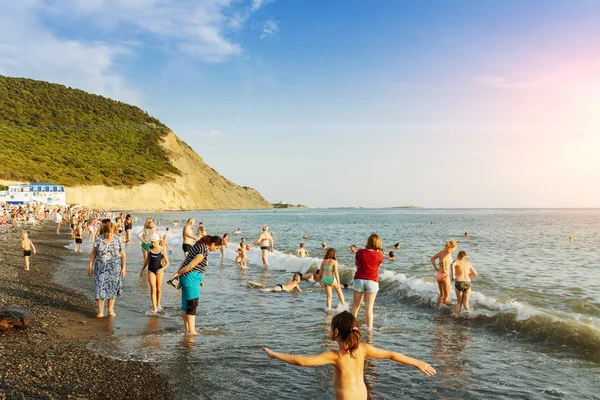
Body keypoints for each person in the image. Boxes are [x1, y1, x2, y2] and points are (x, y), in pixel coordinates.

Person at [262, 311, 436, 400]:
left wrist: (275, 354)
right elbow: (391, 354)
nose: (329, 330)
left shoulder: (336, 355)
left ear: (336, 331)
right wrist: (417, 362)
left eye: (331, 327)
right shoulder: (363, 348)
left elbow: (302, 361)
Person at [170, 235, 222, 335]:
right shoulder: (203, 250)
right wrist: (178, 273)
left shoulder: (198, 245)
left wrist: (178, 272)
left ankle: (187, 330)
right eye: (217, 248)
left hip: (186, 277)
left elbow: (186, 260)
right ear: (213, 244)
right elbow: (190, 266)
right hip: (192, 278)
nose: (216, 250)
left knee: (186, 304)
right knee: (192, 304)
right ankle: (192, 331)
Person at [88, 223, 126, 318]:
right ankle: (101, 311)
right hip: (100, 267)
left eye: (111, 233)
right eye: (107, 232)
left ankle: (110, 310)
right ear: (104, 231)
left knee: (112, 288)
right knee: (99, 287)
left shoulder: (118, 240)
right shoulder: (99, 239)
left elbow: (123, 254)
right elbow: (93, 253)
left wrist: (124, 267)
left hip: (114, 268)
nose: (109, 235)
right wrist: (90, 266)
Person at [351, 234, 384, 331]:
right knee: (369, 308)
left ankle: (352, 327)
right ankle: (369, 330)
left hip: (359, 279)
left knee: (356, 305)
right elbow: (378, 266)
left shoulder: (360, 252)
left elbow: (357, 264)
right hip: (372, 281)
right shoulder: (379, 255)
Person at [140, 233, 170, 314]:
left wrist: (162, 269)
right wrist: (142, 270)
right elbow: (147, 261)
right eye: (152, 242)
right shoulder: (149, 249)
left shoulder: (162, 250)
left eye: (154, 242)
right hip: (151, 270)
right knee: (153, 289)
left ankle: (158, 304)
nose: (152, 244)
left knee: (159, 289)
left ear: (158, 241)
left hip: (159, 270)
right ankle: (154, 307)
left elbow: (167, 263)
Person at [430, 239, 457, 307]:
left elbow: (432, 259)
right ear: (453, 247)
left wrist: (436, 268)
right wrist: (444, 269)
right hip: (445, 275)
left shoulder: (441, 252)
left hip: (439, 275)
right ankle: (443, 312)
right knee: (447, 296)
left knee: (441, 295)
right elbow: (443, 260)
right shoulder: (448, 253)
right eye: (455, 248)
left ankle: (437, 307)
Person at [452, 251, 477, 317]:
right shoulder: (468, 263)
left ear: (458, 256)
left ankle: (456, 316)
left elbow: (452, 265)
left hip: (459, 282)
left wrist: (453, 275)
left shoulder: (456, 262)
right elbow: (475, 273)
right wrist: (468, 275)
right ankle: (468, 317)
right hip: (467, 283)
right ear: (465, 257)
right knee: (466, 303)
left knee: (459, 302)